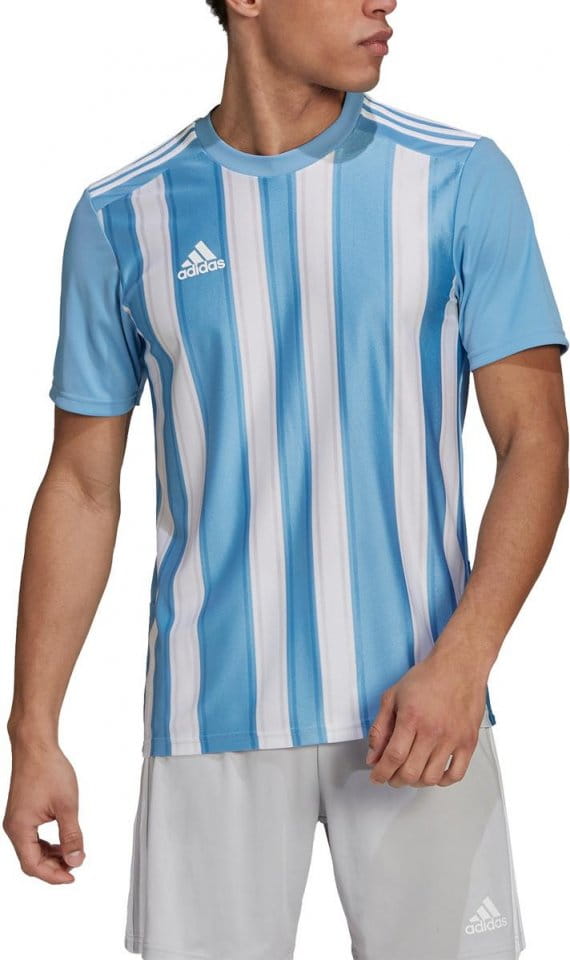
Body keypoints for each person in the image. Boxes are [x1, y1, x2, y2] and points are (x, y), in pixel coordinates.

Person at [4, 0, 569, 957]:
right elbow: (81, 487)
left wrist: (465, 661)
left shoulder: (459, 177)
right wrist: (34, 732)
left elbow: (537, 440)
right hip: (208, 716)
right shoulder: (123, 216)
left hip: (423, 712)